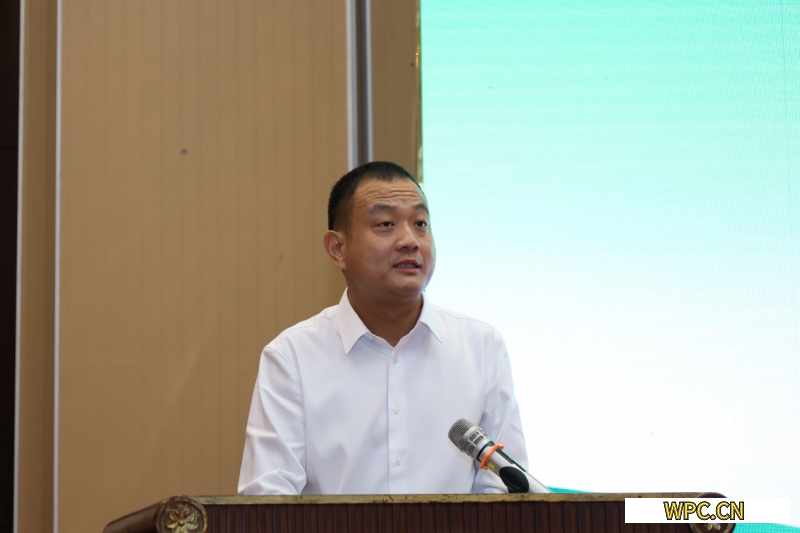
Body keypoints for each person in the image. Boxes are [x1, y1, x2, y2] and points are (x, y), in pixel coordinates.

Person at [238, 161, 528, 495]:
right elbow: (268, 498)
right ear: (338, 249)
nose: (410, 241)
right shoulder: (292, 357)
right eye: (386, 224)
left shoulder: (482, 347)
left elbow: (506, 491)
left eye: (420, 224)